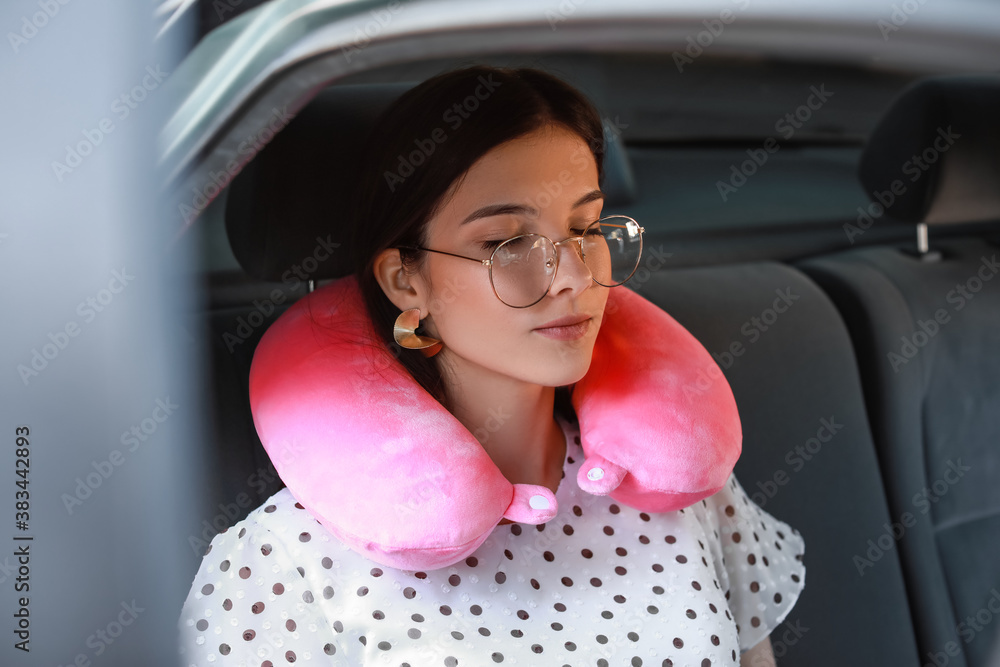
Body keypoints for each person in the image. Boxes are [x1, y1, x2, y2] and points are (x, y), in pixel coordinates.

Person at [177, 64, 805, 667]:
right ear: (406, 281)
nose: (573, 276)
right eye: (505, 243)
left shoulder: (687, 486)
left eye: (585, 228)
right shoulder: (284, 563)